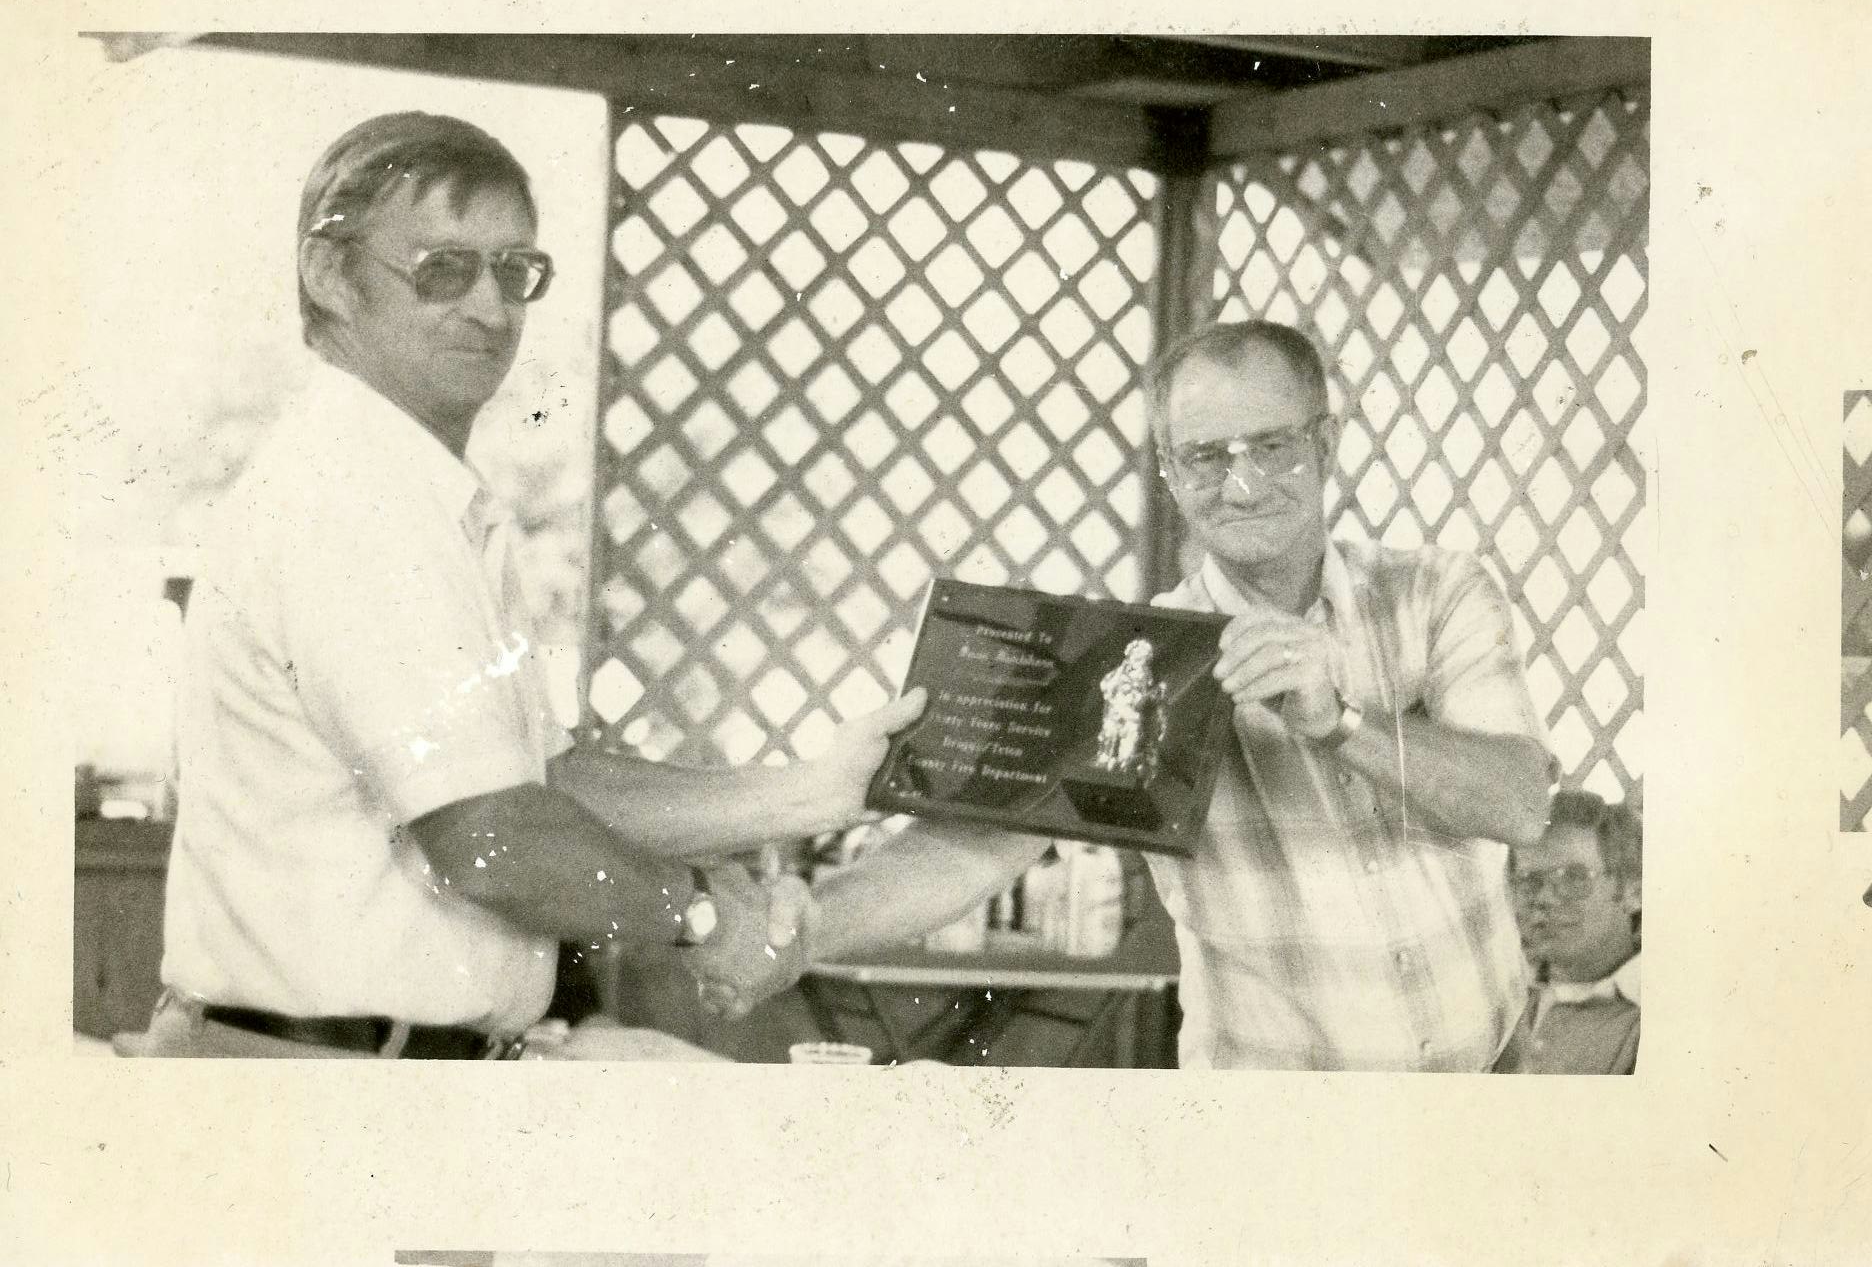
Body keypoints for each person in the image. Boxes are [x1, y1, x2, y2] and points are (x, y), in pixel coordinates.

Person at [128, 111, 922, 1059]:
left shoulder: (416, 499)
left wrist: (809, 794)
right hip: (316, 1073)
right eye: (442, 270)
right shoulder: (352, 501)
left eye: (515, 272)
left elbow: (544, 785)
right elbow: (492, 840)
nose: (490, 309)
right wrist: (713, 918)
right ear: (330, 276)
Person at [698, 320, 1556, 1070]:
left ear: (1326, 446)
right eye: (1206, 457)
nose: (1244, 483)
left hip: (1486, 1094)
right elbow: (971, 851)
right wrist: (797, 929)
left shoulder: (1437, 592)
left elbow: (1520, 802)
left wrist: (1343, 723)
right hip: (1270, 1130)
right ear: (1168, 474)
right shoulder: (1140, 656)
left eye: (1272, 446)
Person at [1493, 789, 1641, 1074]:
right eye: (1528, 880)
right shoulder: (1503, 997)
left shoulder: (1661, 1017)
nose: (1544, 898)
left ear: (1633, 891)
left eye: (1574, 878)